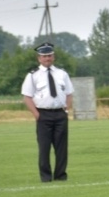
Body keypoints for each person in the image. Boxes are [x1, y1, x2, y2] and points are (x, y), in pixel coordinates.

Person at [21, 43, 74, 181]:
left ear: (53, 56)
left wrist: (66, 109)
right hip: (43, 114)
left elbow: (69, 93)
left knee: (62, 148)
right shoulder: (33, 75)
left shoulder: (62, 74)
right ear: (39, 58)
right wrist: (36, 114)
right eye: (44, 56)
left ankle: (61, 176)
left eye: (49, 55)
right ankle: (45, 176)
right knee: (44, 148)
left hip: (60, 114)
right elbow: (27, 97)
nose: (47, 59)